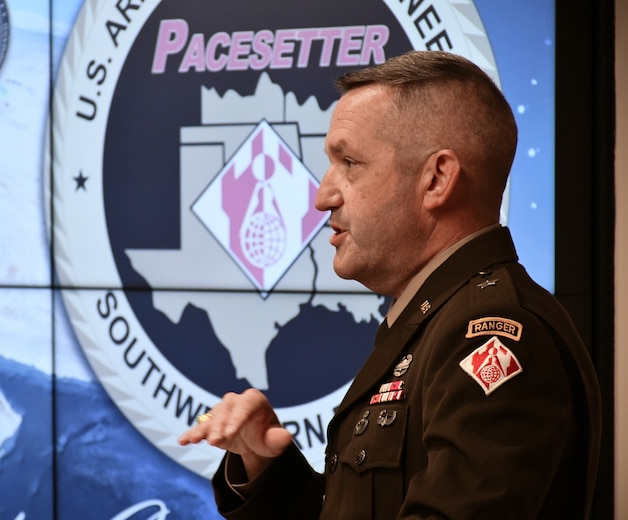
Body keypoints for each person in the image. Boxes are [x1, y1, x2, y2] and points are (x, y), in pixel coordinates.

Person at [178, 50, 601, 519]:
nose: (322, 196)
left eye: (350, 162)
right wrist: (265, 467)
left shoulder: (487, 335)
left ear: (436, 180)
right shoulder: (439, 322)